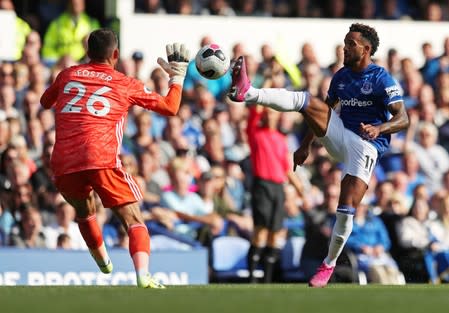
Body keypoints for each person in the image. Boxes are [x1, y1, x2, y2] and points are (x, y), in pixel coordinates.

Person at [228, 23, 409, 287]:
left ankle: (329, 264)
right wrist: (306, 145)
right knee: (308, 101)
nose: (344, 48)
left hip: (366, 146)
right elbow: (323, 113)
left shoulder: (381, 78)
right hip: (341, 136)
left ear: (367, 49)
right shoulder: (341, 76)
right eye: (345, 43)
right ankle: (248, 92)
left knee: (345, 210)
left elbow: (403, 118)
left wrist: (379, 128)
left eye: (351, 45)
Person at [40, 28, 189, 288]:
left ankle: (103, 263)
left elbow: (44, 102)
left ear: (88, 52)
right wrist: (177, 79)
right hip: (101, 157)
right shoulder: (124, 82)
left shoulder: (67, 75)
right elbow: (170, 107)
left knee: (84, 212)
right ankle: (143, 275)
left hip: (64, 161)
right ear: (116, 54)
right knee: (133, 218)